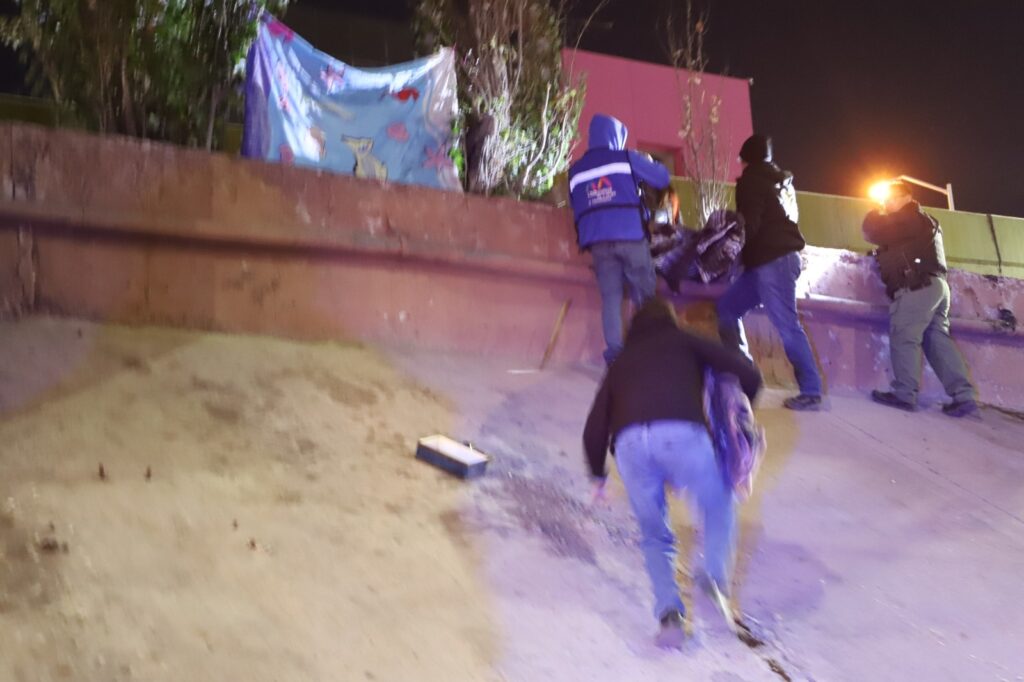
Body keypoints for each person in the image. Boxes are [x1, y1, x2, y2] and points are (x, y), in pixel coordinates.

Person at [583, 297, 762, 648]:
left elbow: (594, 426)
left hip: (630, 447)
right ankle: (713, 578)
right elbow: (748, 374)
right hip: (681, 435)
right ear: (669, 320)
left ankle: (669, 617)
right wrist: (742, 413)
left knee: (655, 535)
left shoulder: (621, 362)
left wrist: (597, 477)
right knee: (718, 503)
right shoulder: (684, 340)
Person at [716, 134, 824, 411]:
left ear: (748, 159)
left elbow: (749, 224)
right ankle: (745, 372)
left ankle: (811, 390)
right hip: (775, 260)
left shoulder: (751, 181)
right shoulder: (781, 182)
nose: (740, 165)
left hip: (772, 261)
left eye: (741, 160)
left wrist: (729, 251)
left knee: (786, 324)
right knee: (727, 309)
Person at [862, 181, 978, 416]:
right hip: (936, 286)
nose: (887, 203)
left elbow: (872, 231)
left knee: (904, 336)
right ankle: (964, 397)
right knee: (937, 341)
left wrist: (875, 210)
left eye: (891, 198)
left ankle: (904, 394)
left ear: (906, 197)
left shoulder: (907, 218)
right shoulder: (925, 220)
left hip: (916, 287)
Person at [568, 113, 671, 365]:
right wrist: (646, 161)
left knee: (611, 298)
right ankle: (649, 350)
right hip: (630, 236)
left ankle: (615, 357)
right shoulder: (626, 158)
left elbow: (575, 203)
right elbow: (662, 178)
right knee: (645, 295)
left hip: (598, 243)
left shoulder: (576, 171)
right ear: (616, 137)